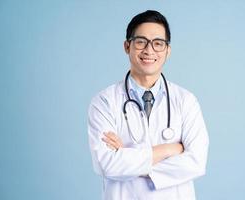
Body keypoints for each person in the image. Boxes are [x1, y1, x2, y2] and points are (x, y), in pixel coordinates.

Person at [88, 10, 209, 200]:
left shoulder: (186, 101)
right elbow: (106, 164)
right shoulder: (104, 102)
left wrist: (127, 157)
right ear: (127, 46)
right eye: (140, 41)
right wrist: (169, 150)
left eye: (158, 43)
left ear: (168, 51)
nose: (149, 50)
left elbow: (196, 161)